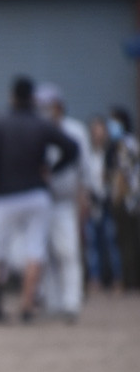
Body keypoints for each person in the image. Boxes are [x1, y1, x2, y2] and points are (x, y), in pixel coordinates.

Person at [0, 77, 78, 322]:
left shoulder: (1, 125)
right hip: (36, 192)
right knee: (35, 250)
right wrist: (52, 170)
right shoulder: (41, 124)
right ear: (32, 98)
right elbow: (72, 148)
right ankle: (27, 305)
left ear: (12, 97)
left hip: (6, 194)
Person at [35, 83, 90, 321]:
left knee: (67, 252)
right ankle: (52, 302)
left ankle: (71, 303)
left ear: (59, 105)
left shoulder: (75, 130)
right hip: (39, 201)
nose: (45, 110)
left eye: (48, 106)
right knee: (43, 254)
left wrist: (85, 194)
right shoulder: (35, 130)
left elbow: (84, 166)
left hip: (65, 201)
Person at [83, 116, 123, 293]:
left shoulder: (112, 153)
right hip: (91, 204)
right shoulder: (87, 153)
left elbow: (116, 179)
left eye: (101, 131)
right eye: (95, 131)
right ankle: (95, 279)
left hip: (107, 204)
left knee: (111, 242)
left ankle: (117, 279)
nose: (97, 135)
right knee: (92, 244)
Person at [106, 106, 140, 291]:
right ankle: (129, 281)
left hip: (127, 201)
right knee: (126, 241)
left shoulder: (126, 144)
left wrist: (119, 198)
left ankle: (130, 282)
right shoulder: (126, 143)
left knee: (127, 242)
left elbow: (124, 174)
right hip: (128, 200)